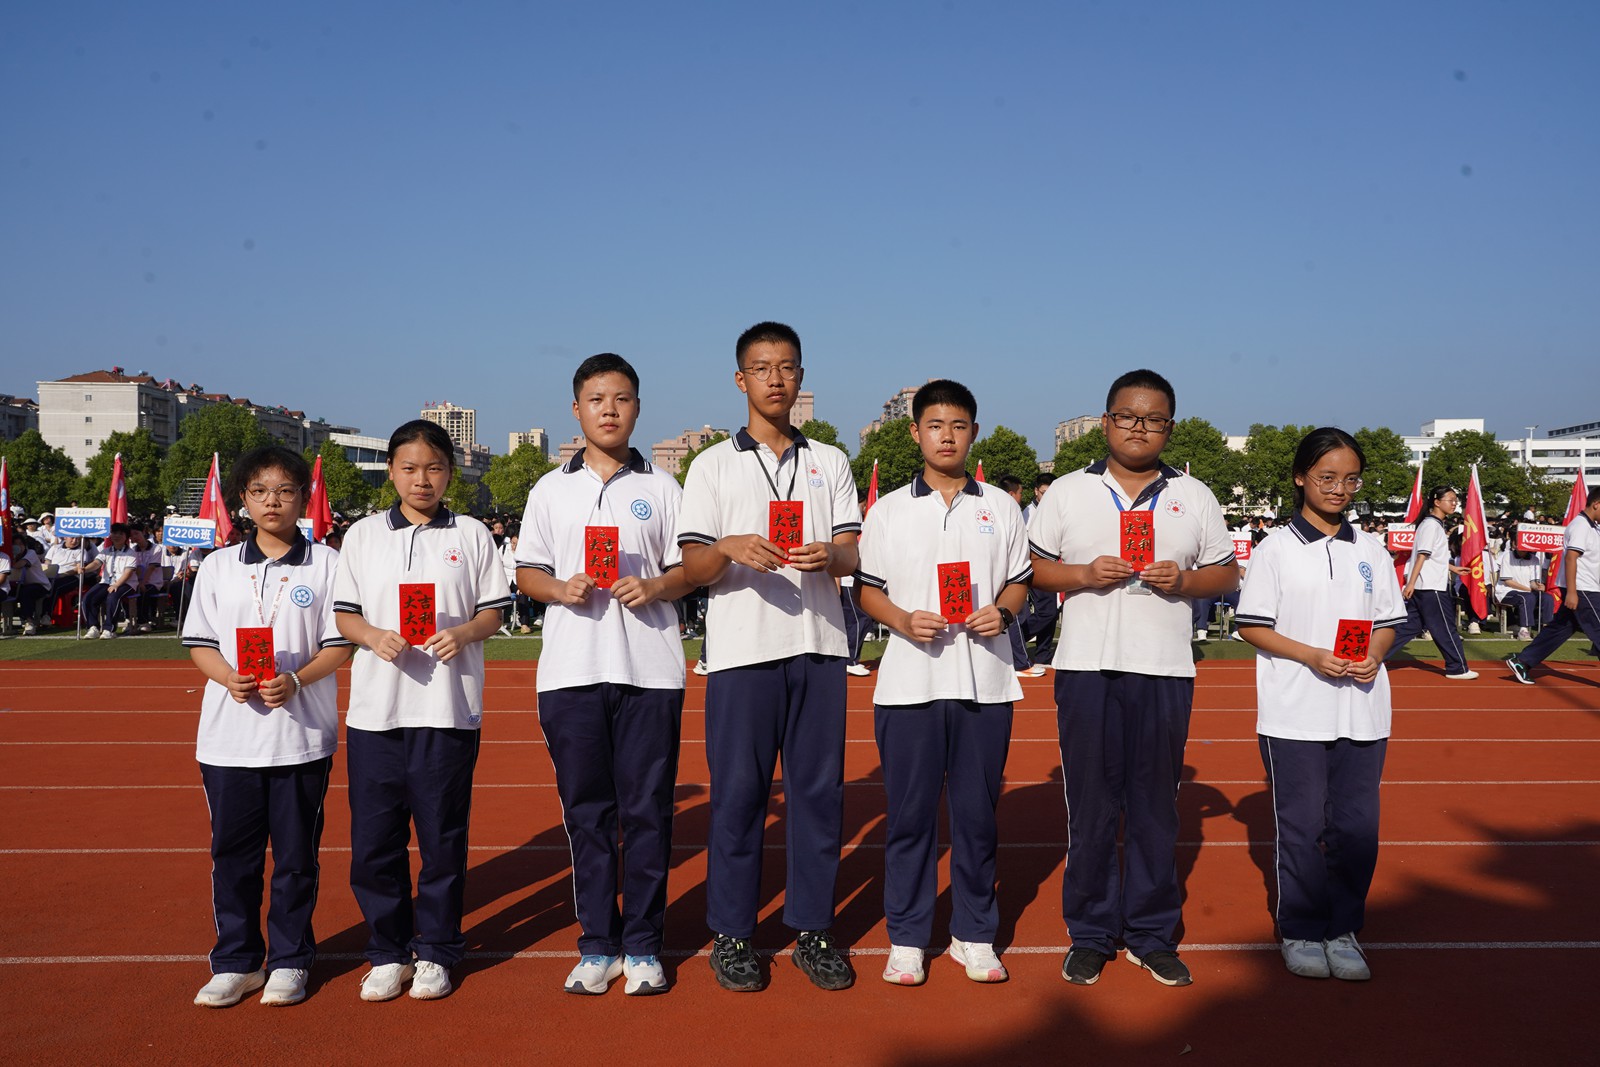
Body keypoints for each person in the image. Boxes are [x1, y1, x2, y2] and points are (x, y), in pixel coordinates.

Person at [1028, 368, 1238, 988]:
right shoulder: (1067, 491)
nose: (1139, 428)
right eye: (1127, 416)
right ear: (1106, 421)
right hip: (1085, 668)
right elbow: (1031, 569)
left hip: (1164, 669)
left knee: (1154, 808)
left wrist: (1186, 580)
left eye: (1153, 419)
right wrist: (1084, 575)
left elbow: (1227, 574)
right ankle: (1091, 932)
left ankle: (1150, 933)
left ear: (1170, 427)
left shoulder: (1193, 495)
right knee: (1091, 807)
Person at [676, 321, 862, 992]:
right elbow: (692, 566)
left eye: (787, 367)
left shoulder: (830, 461)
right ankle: (732, 934)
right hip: (742, 654)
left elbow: (852, 553)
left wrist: (830, 554)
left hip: (818, 647)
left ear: (801, 378)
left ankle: (813, 929)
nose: (775, 378)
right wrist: (728, 546)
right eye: (762, 368)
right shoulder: (712, 465)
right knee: (738, 797)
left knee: (818, 797)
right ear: (741, 380)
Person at [516, 354, 691, 996]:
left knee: (647, 813)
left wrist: (656, 586)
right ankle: (597, 942)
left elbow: (690, 569)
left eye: (621, 399)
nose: (609, 410)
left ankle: (643, 944)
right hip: (571, 671)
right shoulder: (548, 489)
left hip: (650, 671)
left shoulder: (664, 488)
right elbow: (526, 571)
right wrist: (559, 590)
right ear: (576, 409)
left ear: (637, 408)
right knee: (586, 814)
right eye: (596, 399)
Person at [856, 380, 1030, 986]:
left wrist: (1002, 613)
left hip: (986, 683)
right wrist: (903, 620)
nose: (947, 436)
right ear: (915, 433)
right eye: (935, 425)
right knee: (910, 820)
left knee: (977, 818)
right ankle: (906, 937)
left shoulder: (1001, 507)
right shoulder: (888, 510)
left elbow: (1020, 580)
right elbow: (867, 591)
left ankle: (974, 934)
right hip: (909, 686)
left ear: (973, 432)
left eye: (958, 425)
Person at [333, 420, 511, 1002]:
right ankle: (387, 951)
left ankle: (436, 950)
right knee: (375, 842)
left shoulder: (473, 535)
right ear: (391, 471)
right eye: (409, 468)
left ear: (450, 473)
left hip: (446, 710)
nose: (422, 480)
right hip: (376, 714)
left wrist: (463, 633)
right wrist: (371, 636)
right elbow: (345, 614)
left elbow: (493, 612)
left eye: (434, 468)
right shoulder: (362, 535)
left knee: (442, 838)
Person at [182, 445, 354, 1008]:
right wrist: (229, 678)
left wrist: (298, 680)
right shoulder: (218, 566)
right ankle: (235, 961)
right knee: (233, 857)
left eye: (284, 490)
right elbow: (201, 643)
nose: (272, 501)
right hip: (228, 740)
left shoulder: (328, 564)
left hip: (299, 738)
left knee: (296, 858)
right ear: (243, 500)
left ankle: (289, 959)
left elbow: (340, 644)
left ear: (304, 497)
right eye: (259, 491)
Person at [1235, 428, 1405, 981]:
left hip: (1363, 709)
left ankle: (1342, 928)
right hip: (1295, 711)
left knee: (1357, 830)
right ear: (1300, 477)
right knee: (1302, 827)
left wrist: (1375, 654)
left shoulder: (1371, 549)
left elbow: (1388, 622)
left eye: (1350, 479)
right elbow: (1251, 625)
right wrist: (1311, 655)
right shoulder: (1275, 549)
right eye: (1327, 477)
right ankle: (1302, 929)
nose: (1339, 488)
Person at [1507, 487, 1600, 685]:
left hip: (1587, 586)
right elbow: (1571, 558)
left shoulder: (1592, 527)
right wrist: (1572, 592)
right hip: (1582, 588)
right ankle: (1523, 660)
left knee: (1561, 628)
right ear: (1596, 504)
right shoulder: (1581, 526)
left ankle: (1523, 661)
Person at [1386, 488, 1477, 679]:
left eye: (1455, 500)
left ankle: (1372, 656)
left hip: (1425, 586)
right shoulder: (1431, 525)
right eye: (1450, 500)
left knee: (1408, 627)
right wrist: (1410, 583)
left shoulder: (1432, 524)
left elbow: (1432, 557)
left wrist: (1453, 568)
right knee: (1444, 628)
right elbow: (1422, 556)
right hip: (1431, 587)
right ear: (1437, 502)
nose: (1454, 503)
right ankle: (1457, 668)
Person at [79, 523, 142, 639]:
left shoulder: (131, 553)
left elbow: (128, 573)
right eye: (114, 533)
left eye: (121, 534)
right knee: (88, 597)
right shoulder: (105, 551)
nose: (117, 536)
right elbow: (96, 563)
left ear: (126, 537)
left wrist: (117, 584)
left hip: (126, 583)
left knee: (113, 596)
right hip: (106, 582)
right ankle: (93, 627)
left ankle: (109, 629)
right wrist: (85, 569)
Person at [1496, 543, 1549, 640]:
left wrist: (1538, 587)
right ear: (1514, 544)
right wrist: (1529, 590)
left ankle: (1546, 628)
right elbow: (1508, 581)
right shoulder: (1507, 556)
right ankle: (1523, 630)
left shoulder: (1535, 559)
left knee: (1547, 597)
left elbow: (1533, 582)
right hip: (1506, 591)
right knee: (1527, 597)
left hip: (1528, 592)